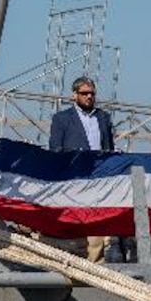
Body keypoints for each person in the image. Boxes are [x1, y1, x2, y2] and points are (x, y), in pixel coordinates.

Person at [48, 76, 115, 262]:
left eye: (92, 93)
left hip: (98, 177)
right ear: (74, 95)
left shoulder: (103, 118)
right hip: (74, 178)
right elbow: (55, 149)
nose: (89, 97)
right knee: (76, 219)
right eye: (84, 93)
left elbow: (109, 148)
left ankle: (96, 261)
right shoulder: (61, 119)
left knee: (98, 221)